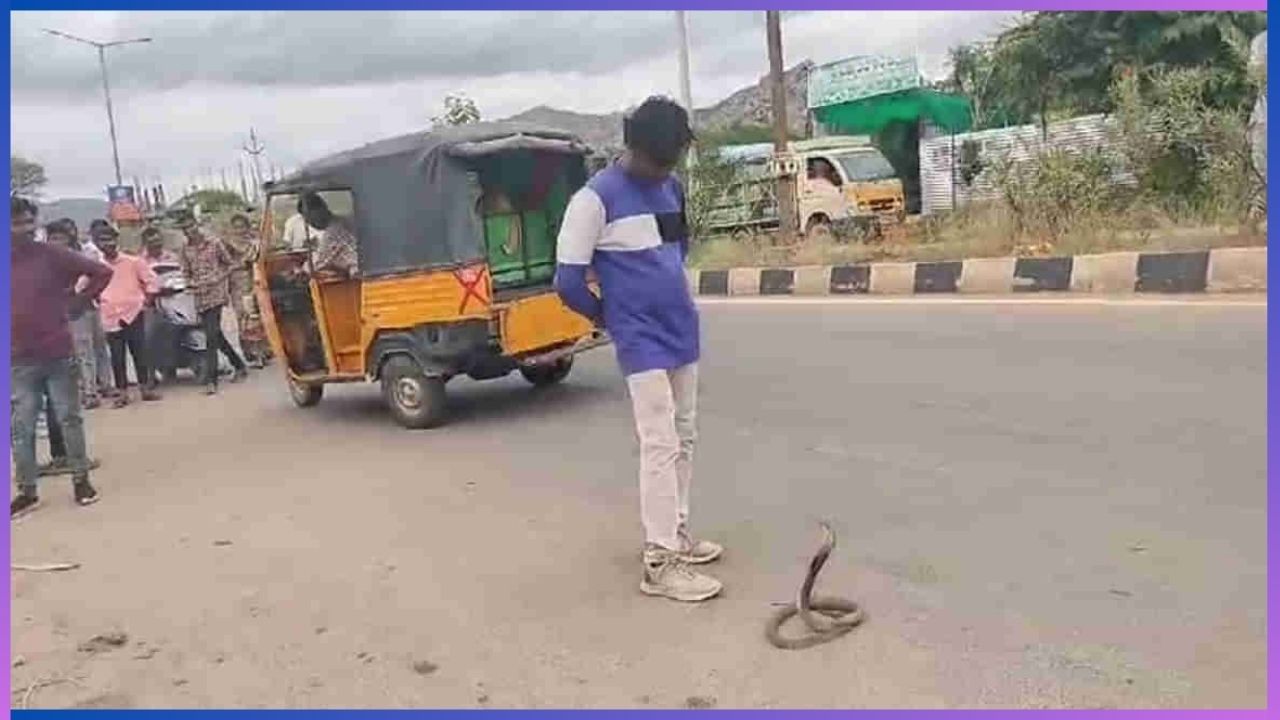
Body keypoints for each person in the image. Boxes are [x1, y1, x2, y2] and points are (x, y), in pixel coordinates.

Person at [554, 96, 722, 603]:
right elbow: (566, 282)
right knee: (660, 441)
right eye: (658, 160)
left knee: (686, 434)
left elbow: (676, 251)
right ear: (633, 147)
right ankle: (659, 562)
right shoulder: (594, 199)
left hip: (680, 328)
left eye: (671, 161)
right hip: (640, 337)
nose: (663, 171)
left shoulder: (670, 187)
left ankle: (677, 533)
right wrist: (611, 319)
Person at [11, 196, 112, 518]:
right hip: (17, 360)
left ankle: (81, 482)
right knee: (21, 427)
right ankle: (27, 491)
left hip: (58, 353)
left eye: (28, 222)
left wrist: (79, 302)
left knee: (69, 419)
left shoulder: (51, 254)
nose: (23, 229)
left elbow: (101, 272)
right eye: (15, 223)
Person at [175, 210, 248, 395]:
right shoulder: (184, 250)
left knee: (210, 335)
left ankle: (211, 380)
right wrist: (191, 284)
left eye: (191, 226)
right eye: (185, 228)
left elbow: (230, 264)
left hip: (216, 294)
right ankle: (238, 364)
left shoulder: (214, 243)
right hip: (199, 296)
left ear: (196, 225)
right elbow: (185, 273)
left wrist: (218, 278)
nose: (189, 230)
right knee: (216, 335)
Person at [94, 224, 162, 407]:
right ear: (97, 244)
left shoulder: (133, 262)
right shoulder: (96, 267)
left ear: (116, 241)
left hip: (134, 312)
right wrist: (95, 300)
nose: (107, 244)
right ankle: (122, 393)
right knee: (117, 355)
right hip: (110, 316)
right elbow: (82, 287)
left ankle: (145, 389)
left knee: (139, 351)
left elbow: (152, 281)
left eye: (110, 239)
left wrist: (147, 301)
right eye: (102, 240)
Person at [223, 213, 270, 366]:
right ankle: (250, 353)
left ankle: (263, 352)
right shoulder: (226, 246)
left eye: (242, 227)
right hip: (237, 285)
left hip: (255, 282)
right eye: (236, 227)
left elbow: (259, 259)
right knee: (243, 318)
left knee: (258, 317)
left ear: (247, 228)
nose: (239, 230)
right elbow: (225, 266)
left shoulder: (254, 244)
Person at [84, 219, 120, 399]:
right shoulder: (88, 255)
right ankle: (90, 390)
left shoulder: (108, 256)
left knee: (101, 348)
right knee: (86, 352)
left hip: (99, 307)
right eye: (100, 236)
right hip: (87, 307)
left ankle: (106, 384)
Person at [298, 192, 359, 277]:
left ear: (321, 209)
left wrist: (300, 269)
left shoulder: (333, 232)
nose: (310, 223)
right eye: (307, 219)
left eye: (309, 217)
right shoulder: (345, 220)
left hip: (362, 272)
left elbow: (316, 264)